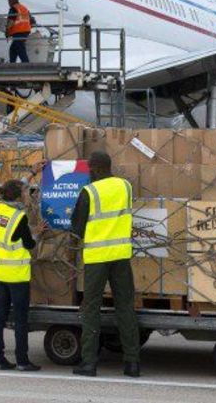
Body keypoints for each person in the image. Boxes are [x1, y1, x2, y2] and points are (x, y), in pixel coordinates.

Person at [70, 150, 140, 377]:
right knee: (125, 307)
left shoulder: (89, 192)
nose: (89, 172)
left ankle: (89, 363)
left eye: (90, 168)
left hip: (97, 259)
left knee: (91, 309)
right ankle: (132, 364)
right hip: (121, 256)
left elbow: (78, 228)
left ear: (96, 169)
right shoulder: (125, 187)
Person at [0, 179, 41, 371]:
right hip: (16, 275)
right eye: (26, 192)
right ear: (18, 196)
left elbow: (9, 236)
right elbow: (28, 244)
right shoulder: (20, 217)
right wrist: (37, 234)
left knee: (0, 317)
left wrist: (31, 173)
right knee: (20, 319)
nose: (29, 195)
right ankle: (22, 360)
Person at [5, 0, 35, 64]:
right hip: (25, 30)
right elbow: (32, 21)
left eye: (9, 2)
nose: (8, 4)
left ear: (12, 1)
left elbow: (11, 21)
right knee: (13, 48)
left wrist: (7, 32)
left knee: (20, 48)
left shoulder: (13, 8)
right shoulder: (24, 8)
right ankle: (12, 63)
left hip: (19, 31)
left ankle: (26, 64)